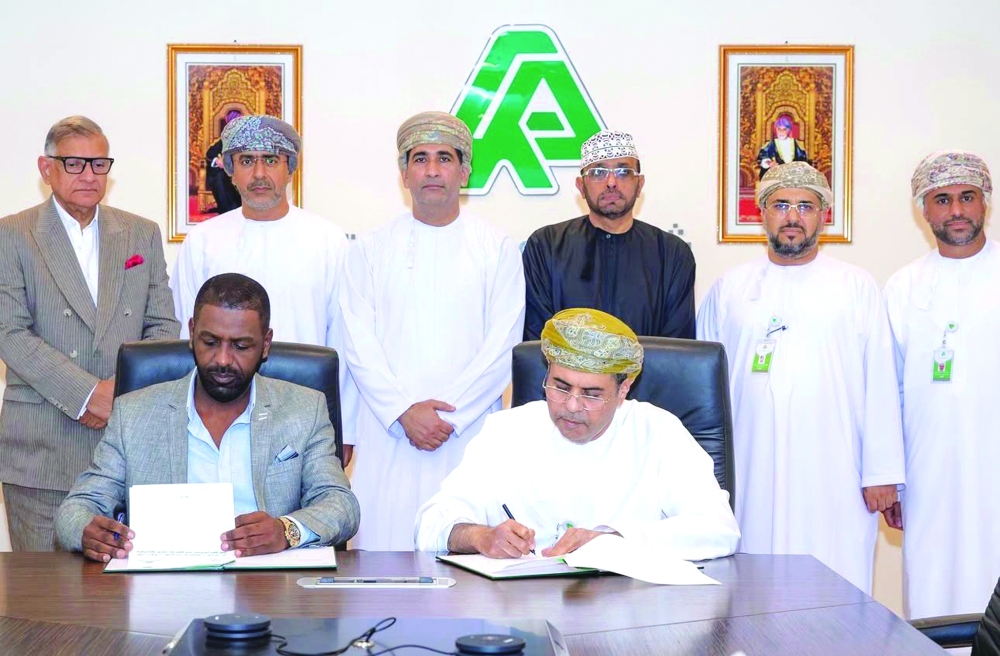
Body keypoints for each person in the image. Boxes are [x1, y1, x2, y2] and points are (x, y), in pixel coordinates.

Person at [697, 161, 904, 594]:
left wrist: (881, 472)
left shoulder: (856, 286)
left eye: (806, 206)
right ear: (763, 213)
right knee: (750, 585)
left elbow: (882, 381)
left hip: (836, 468)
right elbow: (705, 391)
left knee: (835, 582)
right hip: (749, 466)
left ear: (823, 215)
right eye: (782, 204)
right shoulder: (729, 289)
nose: (793, 216)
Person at [55, 273, 359, 562]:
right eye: (210, 342)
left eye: (241, 346)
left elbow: (341, 506)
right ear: (191, 334)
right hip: (163, 588)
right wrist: (88, 532)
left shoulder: (304, 409)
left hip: (269, 584)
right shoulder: (134, 413)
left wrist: (286, 531)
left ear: (265, 344)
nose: (223, 360)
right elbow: (76, 509)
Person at [340, 111, 525, 550]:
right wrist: (404, 410)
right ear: (404, 173)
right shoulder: (368, 249)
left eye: (445, 158)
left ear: (464, 171)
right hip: (389, 435)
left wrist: (448, 417)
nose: (432, 170)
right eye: (419, 158)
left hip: (469, 435)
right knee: (382, 564)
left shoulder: (496, 248)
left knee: (469, 563)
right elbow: (357, 343)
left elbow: (503, 346)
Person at [415, 308, 739, 558]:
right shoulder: (505, 431)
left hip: (628, 622)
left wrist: (612, 542)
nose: (571, 405)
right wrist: (481, 537)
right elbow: (428, 525)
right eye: (560, 386)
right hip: (526, 619)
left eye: (592, 393)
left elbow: (719, 529)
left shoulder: (657, 432)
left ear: (624, 389)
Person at [0, 116, 179, 551]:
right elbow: (10, 331)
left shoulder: (141, 232)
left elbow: (163, 327)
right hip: (42, 447)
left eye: (99, 165)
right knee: (43, 603)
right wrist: (86, 394)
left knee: (124, 600)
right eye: (75, 163)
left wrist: (118, 394)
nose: (88, 175)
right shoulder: (11, 234)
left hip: (126, 442)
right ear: (47, 169)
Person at [171, 115, 357, 464]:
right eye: (246, 161)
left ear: (290, 169)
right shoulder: (204, 240)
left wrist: (344, 425)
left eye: (271, 160)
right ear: (230, 169)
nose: (259, 174)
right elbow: (187, 333)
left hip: (305, 413)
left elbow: (344, 341)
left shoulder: (327, 240)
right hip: (216, 412)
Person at [884, 151, 1000, 619]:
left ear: (985, 202)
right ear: (923, 209)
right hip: (927, 469)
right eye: (942, 199)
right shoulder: (903, 287)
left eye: (967, 197)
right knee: (932, 590)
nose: (956, 210)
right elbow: (885, 391)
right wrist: (890, 476)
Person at [521, 130, 695, 340]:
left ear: (639, 184)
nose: (611, 182)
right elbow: (537, 343)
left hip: (648, 374)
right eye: (597, 172)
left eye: (623, 172)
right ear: (581, 186)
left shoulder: (672, 254)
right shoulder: (545, 246)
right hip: (565, 374)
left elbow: (677, 351)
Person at [204, 109, 243, 215]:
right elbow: (210, 154)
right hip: (226, 174)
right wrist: (218, 161)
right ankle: (226, 210)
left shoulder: (247, 137)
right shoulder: (225, 138)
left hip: (242, 171)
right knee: (219, 177)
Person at [756, 116, 810, 180]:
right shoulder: (771, 144)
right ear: (776, 130)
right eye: (779, 129)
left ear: (788, 130)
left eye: (784, 129)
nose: (781, 132)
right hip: (776, 175)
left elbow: (802, 159)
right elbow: (763, 157)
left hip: (794, 175)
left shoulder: (796, 143)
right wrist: (770, 163)